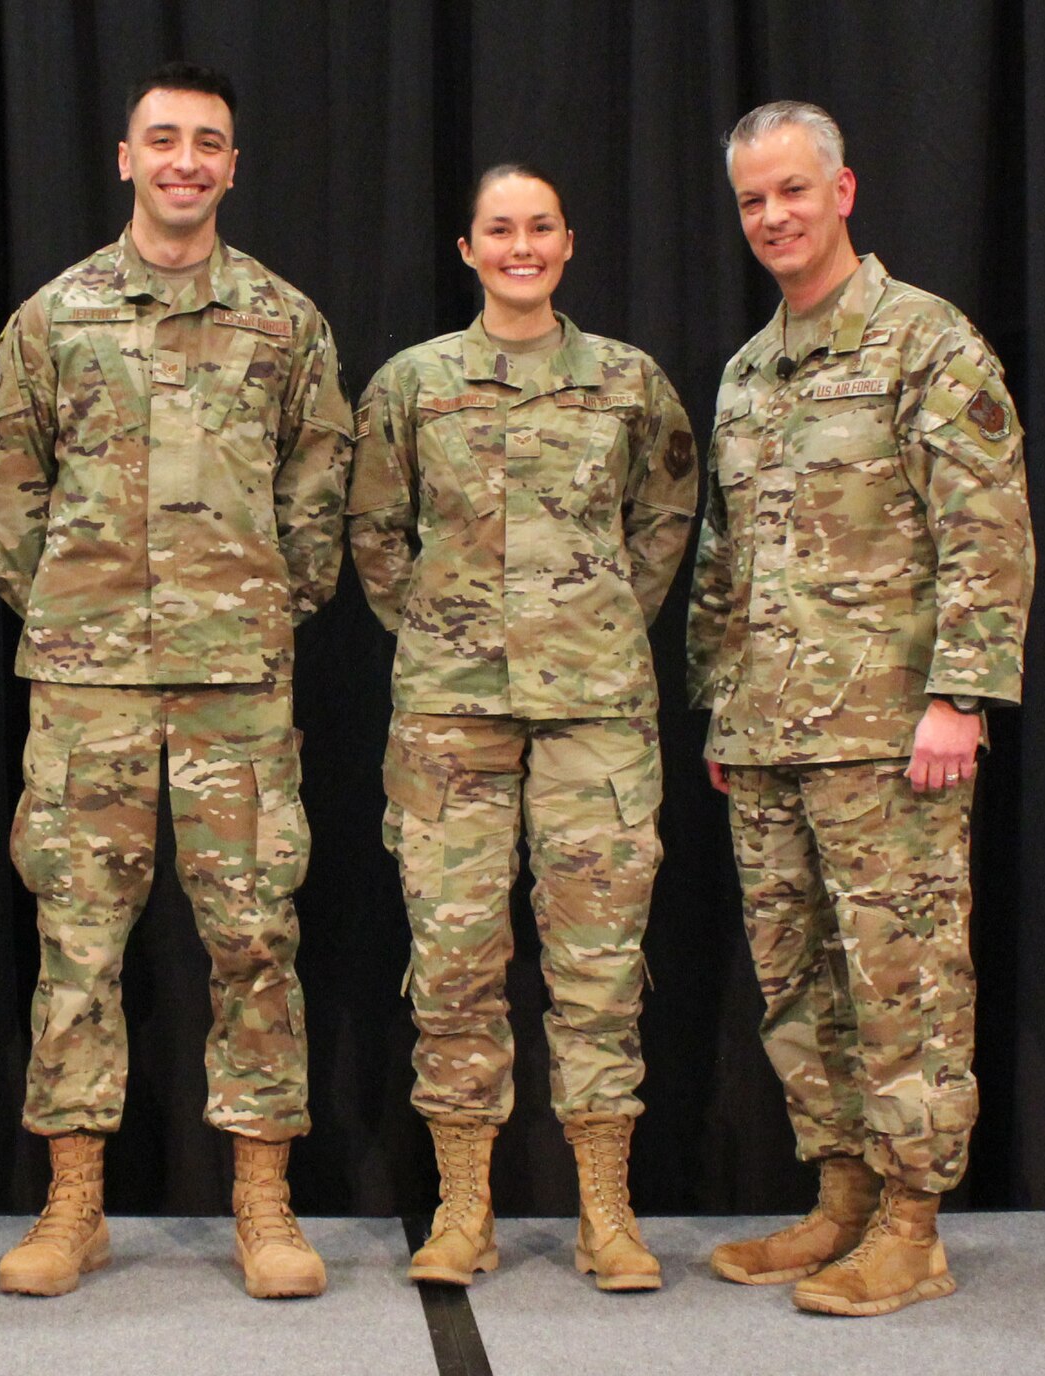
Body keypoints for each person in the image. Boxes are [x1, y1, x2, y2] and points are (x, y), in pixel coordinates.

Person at [0, 61, 351, 1300]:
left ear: (233, 167)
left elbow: (318, 491)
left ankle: (263, 1202)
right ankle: (72, 1203)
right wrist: (82, 615)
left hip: (236, 686)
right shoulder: (53, 317)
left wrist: (249, 608)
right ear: (124, 157)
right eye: (163, 140)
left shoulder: (285, 322)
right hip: (88, 689)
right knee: (75, 944)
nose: (185, 160)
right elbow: (7, 492)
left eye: (209, 143)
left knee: (254, 938)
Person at [688, 101, 1035, 1316]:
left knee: (903, 981)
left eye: (791, 190)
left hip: (893, 736)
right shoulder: (746, 371)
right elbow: (722, 562)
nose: (771, 217)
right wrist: (721, 707)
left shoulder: (922, 342)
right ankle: (840, 1197)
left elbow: (984, 531)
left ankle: (910, 1222)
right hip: (769, 733)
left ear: (842, 191)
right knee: (797, 981)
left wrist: (959, 695)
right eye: (750, 200)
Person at [347, 165, 698, 1291]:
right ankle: (463, 1206)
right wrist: (449, 632)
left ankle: (607, 1210)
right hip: (451, 715)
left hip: (594, 712)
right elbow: (373, 534)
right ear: (466, 249)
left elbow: (664, 519)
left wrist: (590, 622)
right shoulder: (412, 384)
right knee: (453, 959)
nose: (520, 245)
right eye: (499, 228)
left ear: (568, 241)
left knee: (598, 964)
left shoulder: (628, 384)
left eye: (539, 226)